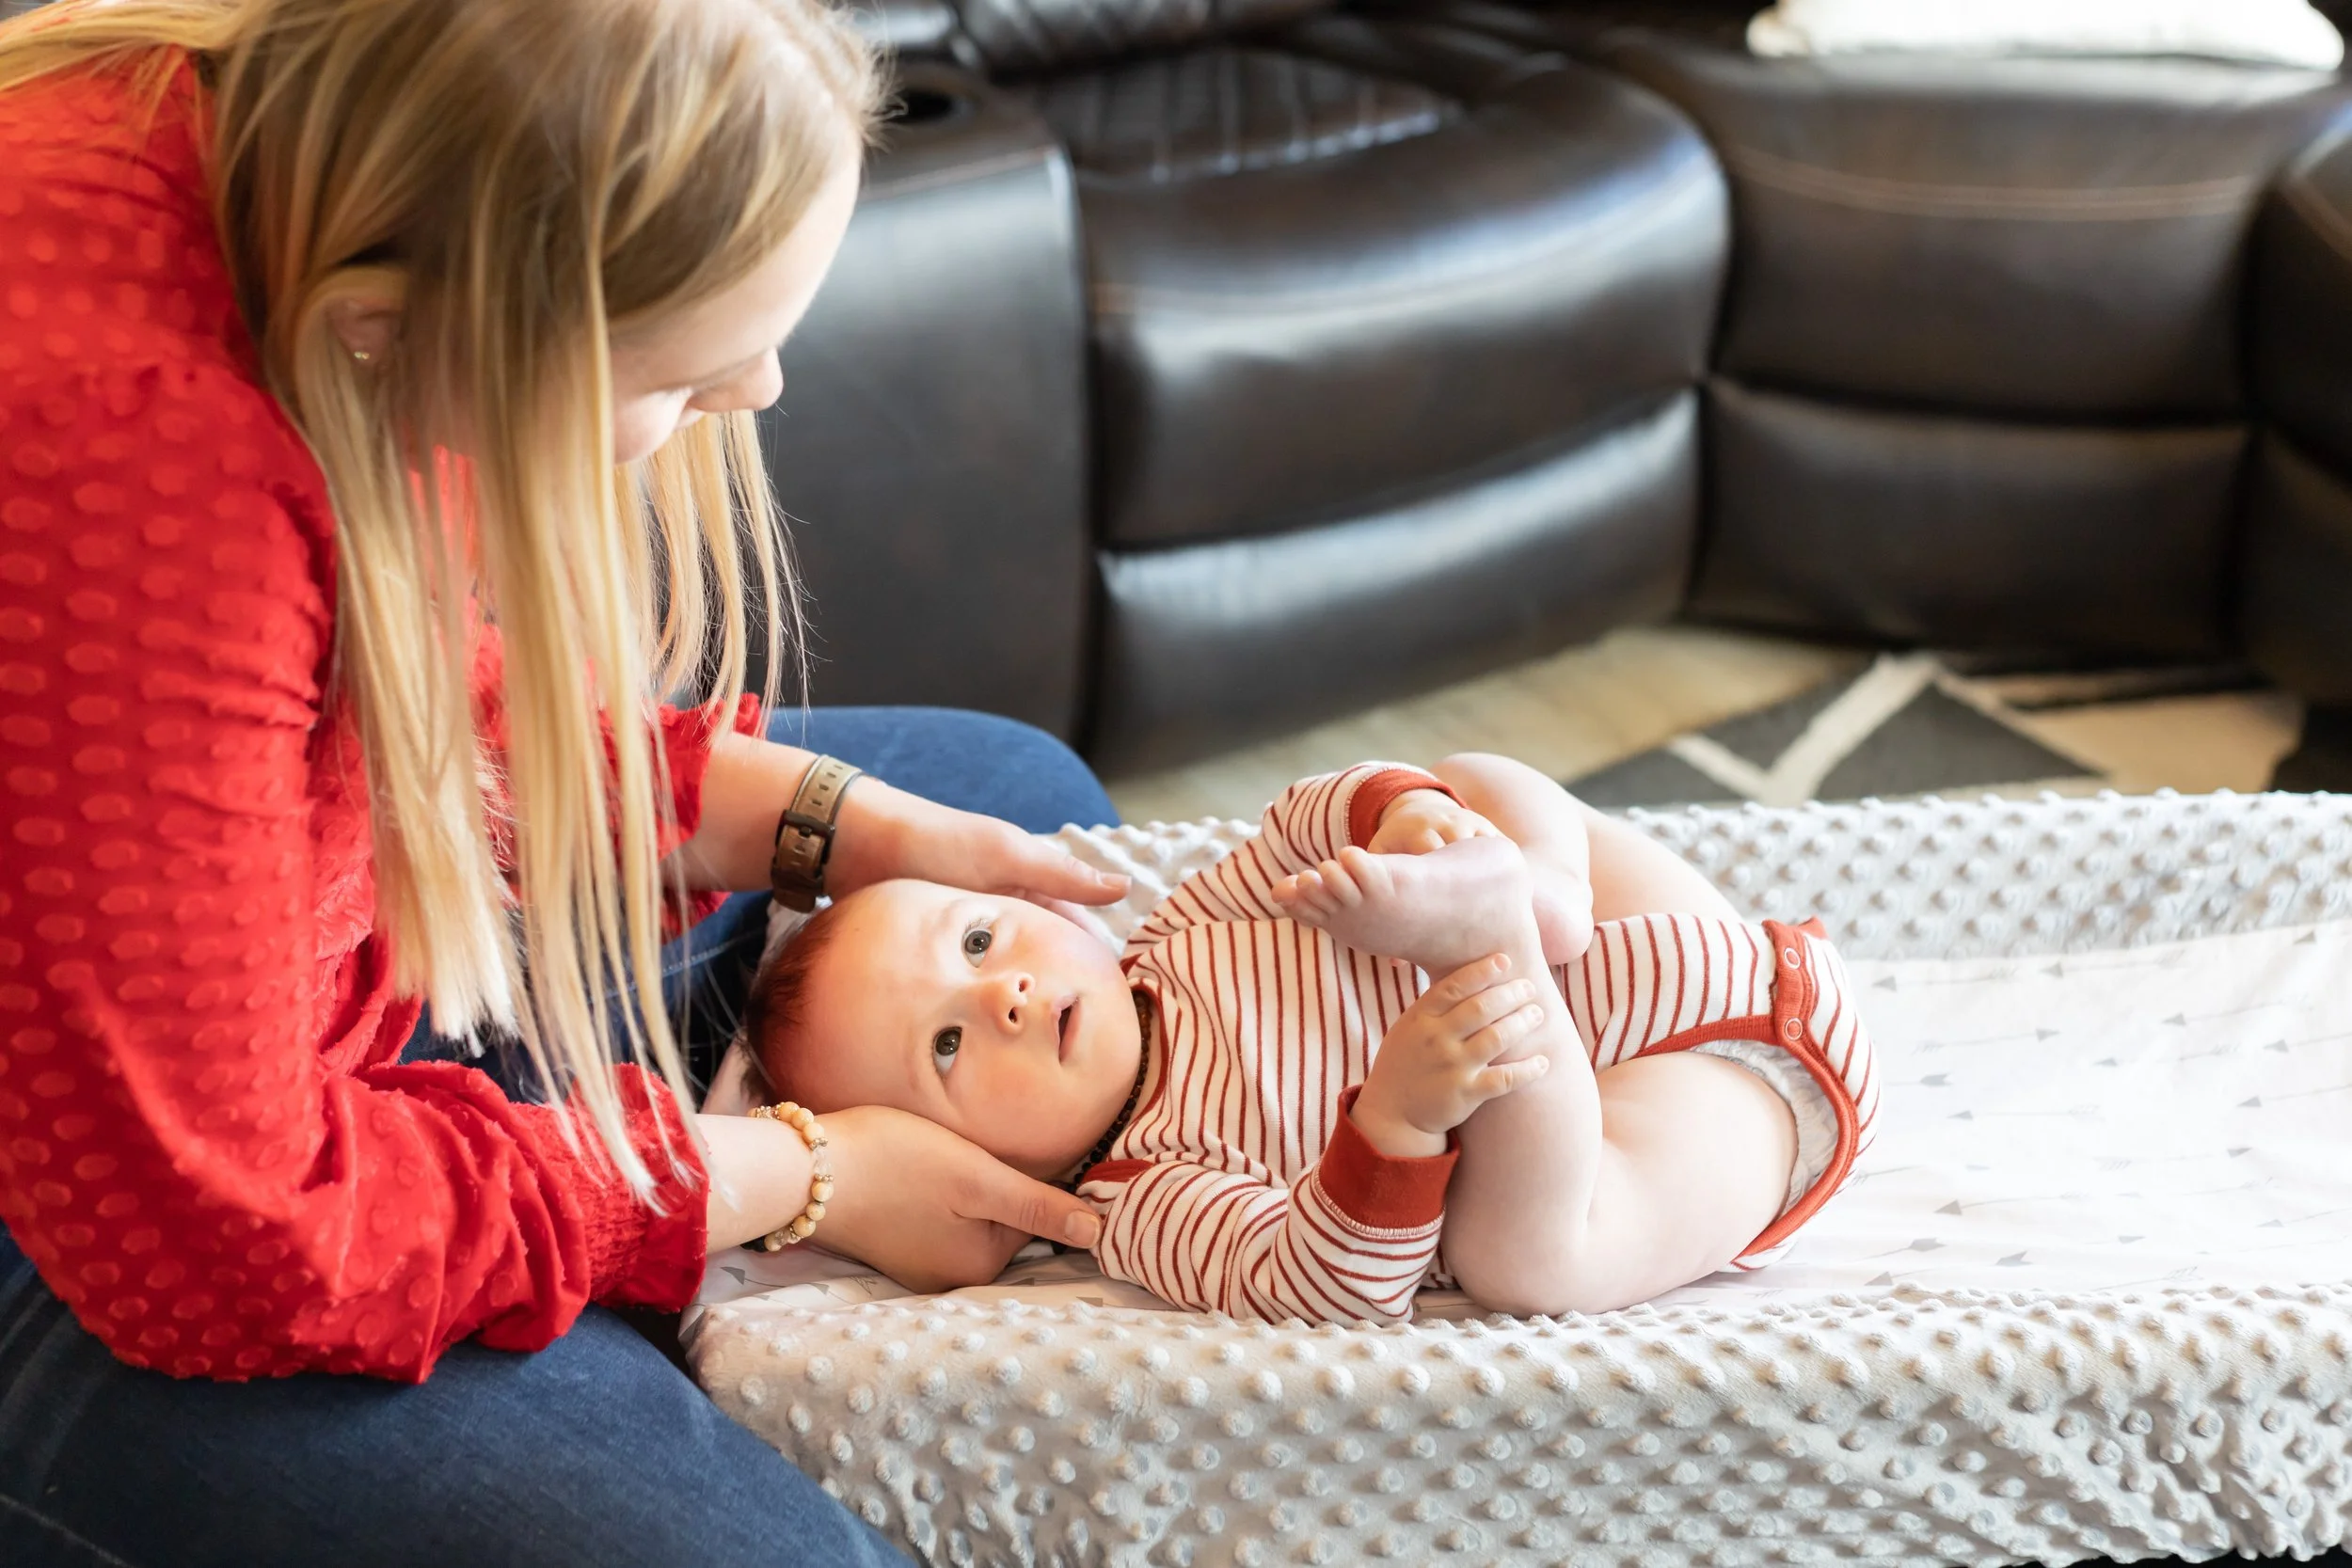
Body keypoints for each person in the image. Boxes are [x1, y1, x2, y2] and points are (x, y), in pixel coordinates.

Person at [0, 0, 1130, 1562]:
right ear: (405, 322)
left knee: (1014, 782)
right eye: (688, 368)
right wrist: (804, 1174)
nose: (761, 388)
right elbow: (228, 1238)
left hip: (320, 964)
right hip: (119, 1225)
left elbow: (397, 700)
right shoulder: (127, 475)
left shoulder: (316, 168)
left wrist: (817, 819)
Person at [749, 754, 1882, 1323]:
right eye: (946, 1047)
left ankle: (1529, 891)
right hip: (1714, 1104)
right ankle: (1493, 936)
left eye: (979, 938)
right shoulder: (1144, 1199)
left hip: (1634, 929)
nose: (1000, 995)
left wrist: (1402, 821)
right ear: (961, 1166)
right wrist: (1396, 1118)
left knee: (1471, 776)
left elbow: (1297, 818)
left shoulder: (1181, 929)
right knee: (1524, 1261)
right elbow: (1321, 1279)